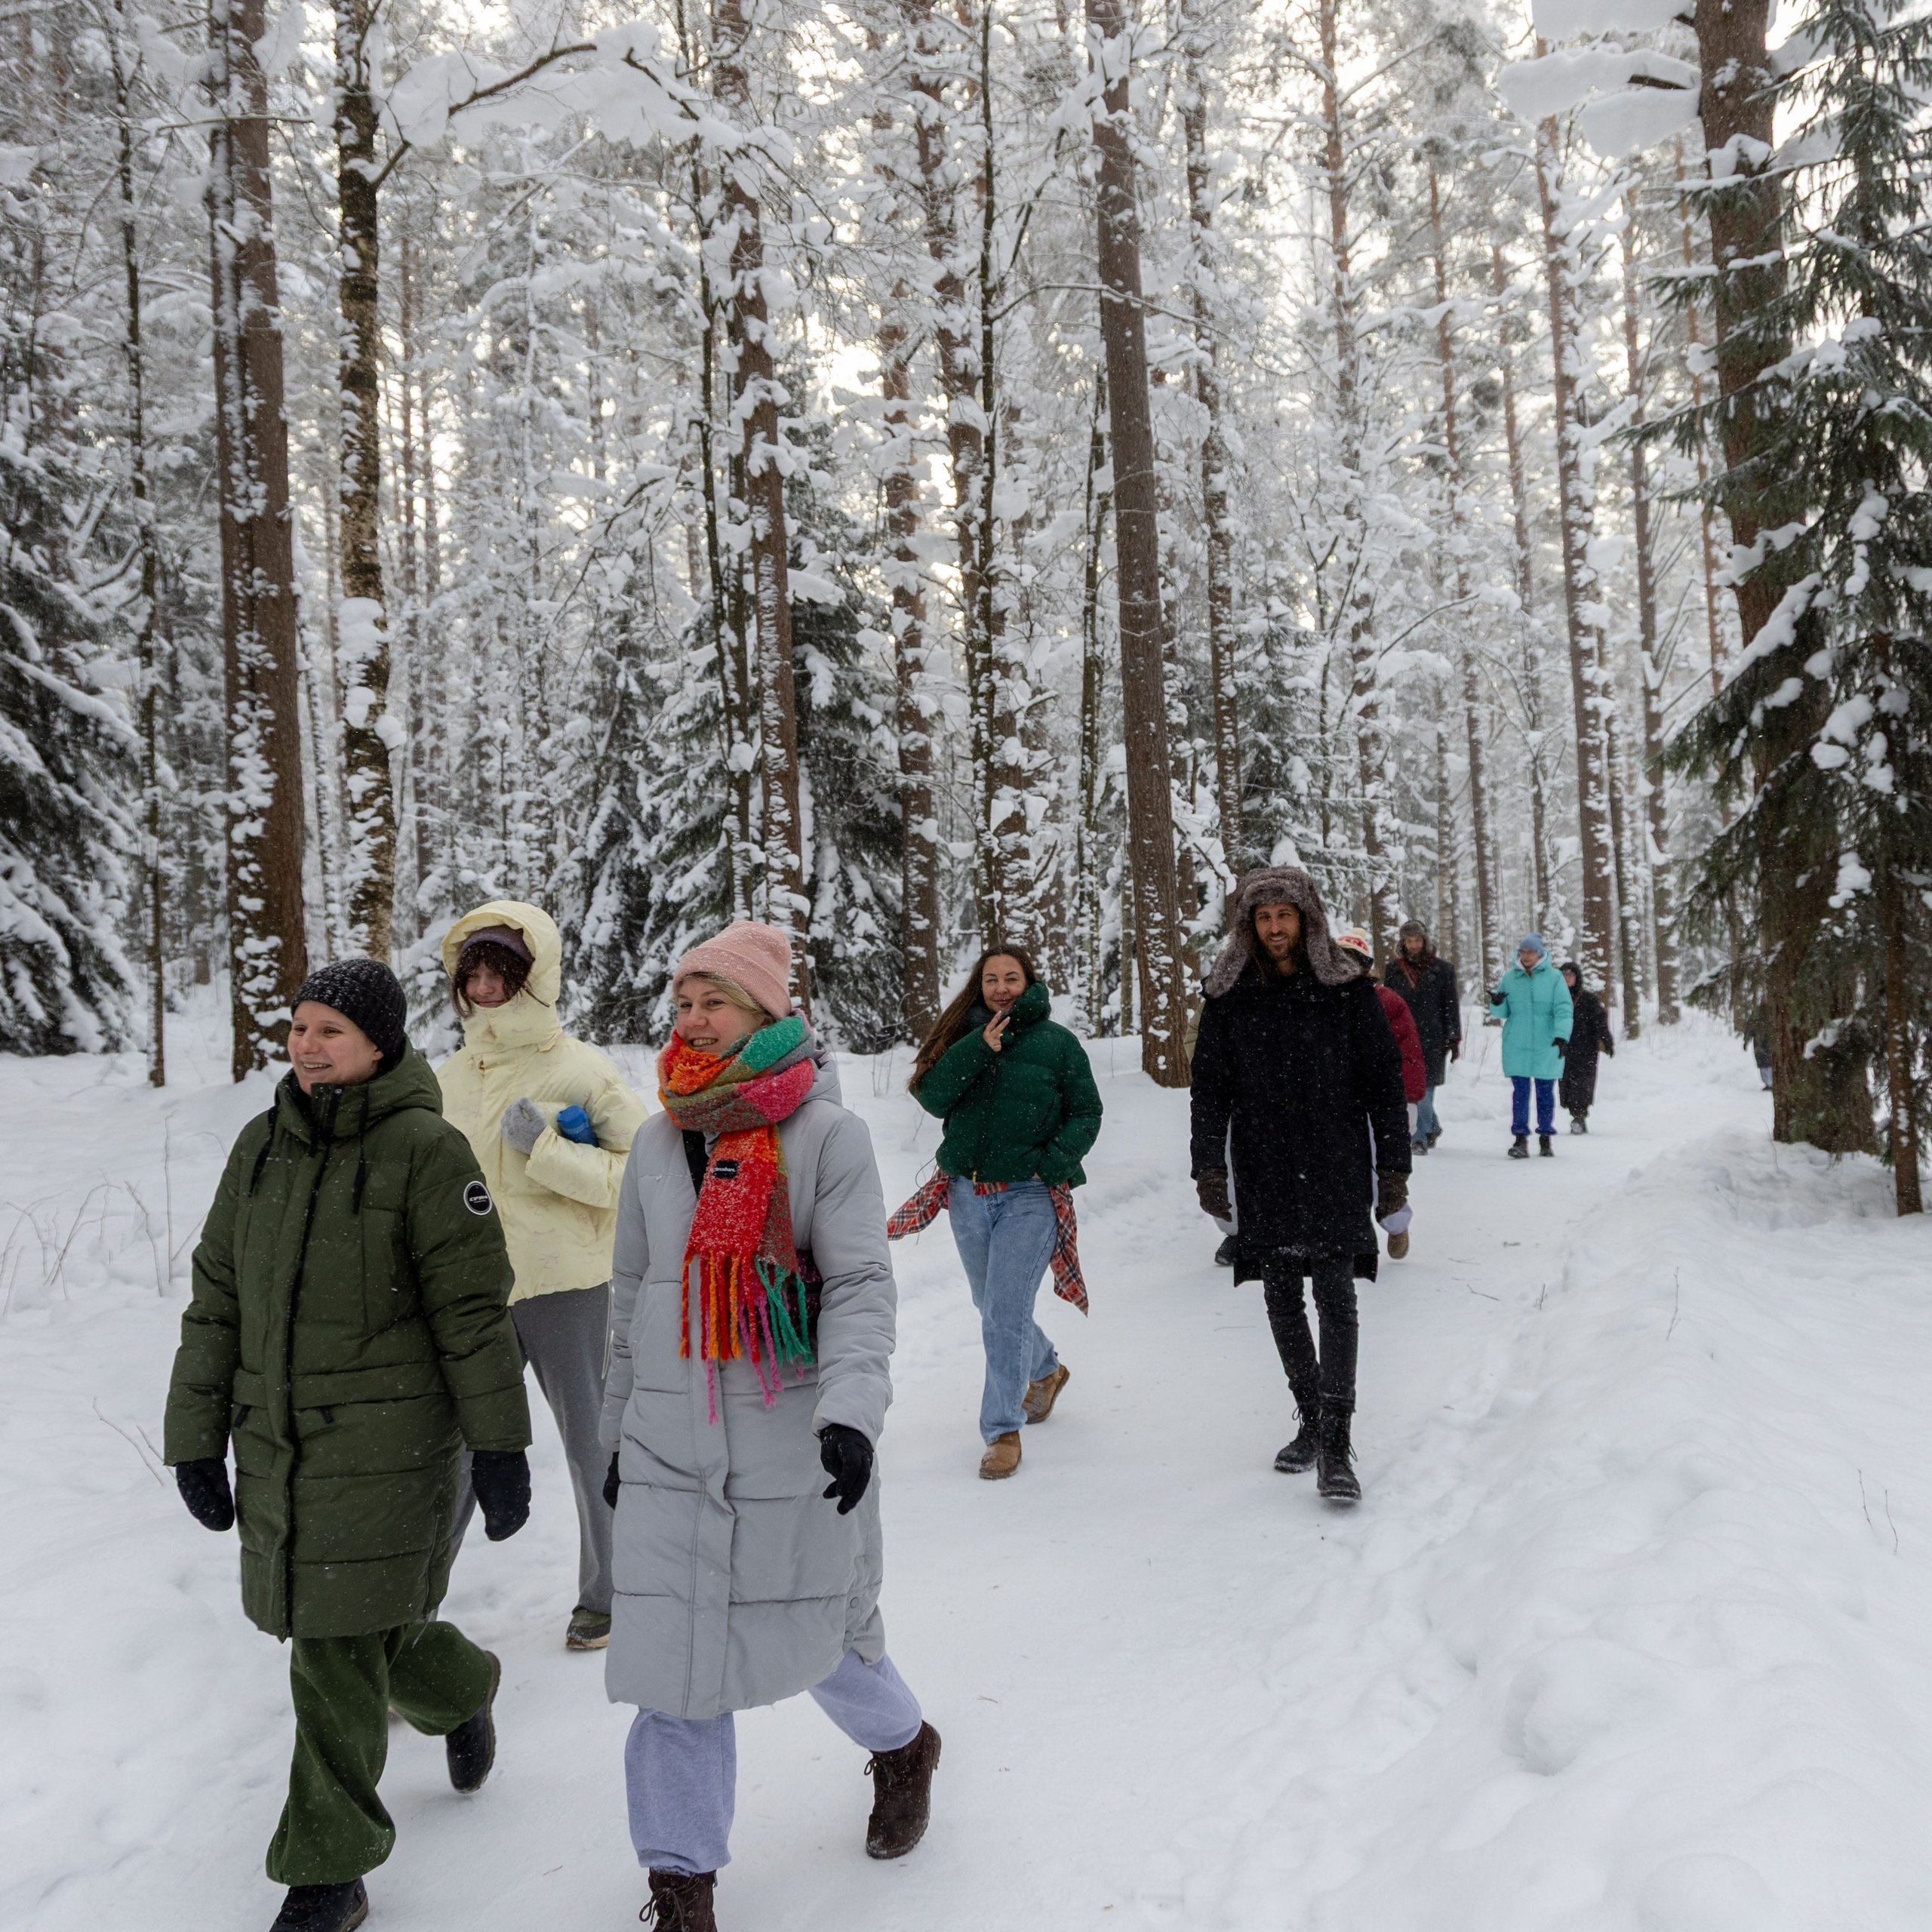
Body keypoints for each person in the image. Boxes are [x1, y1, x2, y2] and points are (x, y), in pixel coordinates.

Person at [163, 958, 533, 1932]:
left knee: (330, 1642)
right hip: (280, 1442)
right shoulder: (260, 1147)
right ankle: (459, 1684)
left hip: (395, 1444)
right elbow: (217, 1300)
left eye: (330, 1030)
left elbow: (473, 1315)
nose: (307, 1045)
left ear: (380, 1043)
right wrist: (194, 1436)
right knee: (362, 1622)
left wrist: (500, 1447)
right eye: (299, 1027)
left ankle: (329, 1868)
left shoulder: (426, 1150)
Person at [601, 921, 940, 1932]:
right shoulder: (661, 1139)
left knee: (824, 1645)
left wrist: (850, 1414)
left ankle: (905, 1745)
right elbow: (629, 1303)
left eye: (714, 1000)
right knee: (678, 1674)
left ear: (765, 1013)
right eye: (683, 1002)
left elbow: (860, 1285)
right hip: (669, 1447)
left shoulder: (826, 1136)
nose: (692, 1018)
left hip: (789, 1442)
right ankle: (680, 1886)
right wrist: (615, 1437)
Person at [438, 900, 648, 1652]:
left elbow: (641, 1177)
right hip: (474, 1293)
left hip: (569, 1284)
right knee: (454, 1451)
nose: (487, 985)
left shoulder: (582, 1068)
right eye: (475, 972)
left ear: (537, 977)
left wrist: (549, 1153)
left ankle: (611, 1595)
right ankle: (407, 1613)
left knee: (593, 1442)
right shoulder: (448, 1078)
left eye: (502, 971)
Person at [1190, 869, 1411, 1503]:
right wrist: (1208, 1166)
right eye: (1264, 918)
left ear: (1307, 918)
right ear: (1249, 926)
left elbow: (1384, 1085)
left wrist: (1393, 1171)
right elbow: (1210, 1089)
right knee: (1282, 1296)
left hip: (1335, 1163)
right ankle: (1311, 1422)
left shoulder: (1348, 992)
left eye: (1285, 915)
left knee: (1336, 1297)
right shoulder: (1230, 996)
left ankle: (1337, 1446)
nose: (1275, 928)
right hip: (1264, 1167)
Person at [908, 946, 1103, 1479]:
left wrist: (1053, 1163)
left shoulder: (1057, 1044)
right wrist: (978, 1047)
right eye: (991, 979)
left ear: (1028, 982)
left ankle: (1002, 1430)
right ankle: (1046, 1369)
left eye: (1011, 978)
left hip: (1030, 1195)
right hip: (967, 1193)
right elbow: (933, 1098)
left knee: (1001, 1312)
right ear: (979, 985)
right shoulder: (963, 1037)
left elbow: (1087, 1110)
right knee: (989, 1303)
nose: (1000, 987)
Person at [1335, 927, 1423, 1260]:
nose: (1344, 967)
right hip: (1339, 1103)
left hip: (1380, 1102)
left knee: (1381, 1169)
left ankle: (1396, 1223)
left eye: (1351, 960)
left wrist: (1409, 1098)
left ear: (1364, 964)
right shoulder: (1322, 1000)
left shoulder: (1386, 1001)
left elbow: (1409, 1053)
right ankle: (1351, 1235)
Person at [1489, 934, 1574, 1158]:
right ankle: (1520, 1140)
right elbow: (1502, 1012)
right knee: (1520, 1093)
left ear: (1540, 954)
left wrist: (1562, 1035)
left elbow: (1564, 1009)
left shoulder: (1555, 978)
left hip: (1547, 1043)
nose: (1525, 956)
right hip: (1517, 1043)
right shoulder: (1510, 978)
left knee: (1545, 1093)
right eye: (1523, 952)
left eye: (1530, 952)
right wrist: (1496, 1004)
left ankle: (1545, 1138)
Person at [1383, 918, 1462, 1153]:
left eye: (1417, 940)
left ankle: (1419, 1137)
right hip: (1403, 1036)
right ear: (1403, 943)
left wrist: (1454, 1037)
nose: (1414, 945)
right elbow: (1386, 1004)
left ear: (1425, 941)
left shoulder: (1443, 970)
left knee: (1426, 1087)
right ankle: (1430, 1128)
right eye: (1409, 941)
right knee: (1412, 1085)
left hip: (1433, 1037)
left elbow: (1450, 1005)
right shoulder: (1394, 971)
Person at [1557, 960, 1615, 1134]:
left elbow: (1600, 1022)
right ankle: (1574, 1113)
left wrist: (1607, 1040)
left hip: (1585, 1049)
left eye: (1571, 975)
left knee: (1582, 1083)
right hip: (1564, 1048)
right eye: (1564, 975)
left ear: (1577, 977)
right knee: (1565, 1082)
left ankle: (1579, 1116)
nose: (1567, 978)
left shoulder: (1588, 999)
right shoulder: (1556, 999)